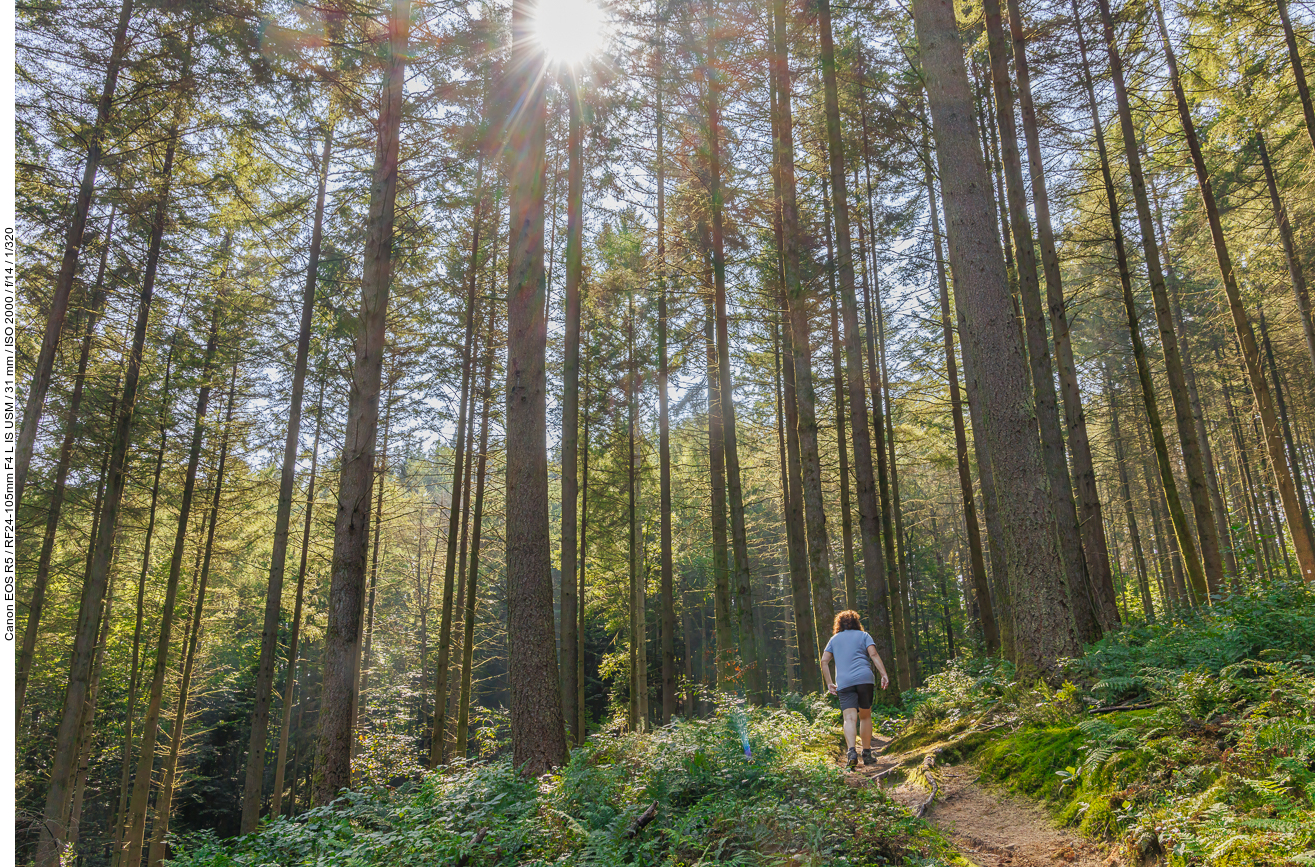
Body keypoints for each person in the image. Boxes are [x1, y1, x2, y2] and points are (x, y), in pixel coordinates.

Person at [820, 609, 891, 769]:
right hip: (865, 679)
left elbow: (824, 661)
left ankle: (852, 753)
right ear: (857, 623)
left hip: (844, 683)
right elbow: (873, 655)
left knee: (849, 718)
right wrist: (883, 674)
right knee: (865, 716)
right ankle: (866, 754)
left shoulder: (834, 639)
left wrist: (829, 683)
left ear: (839, 625)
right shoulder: (864, 636)